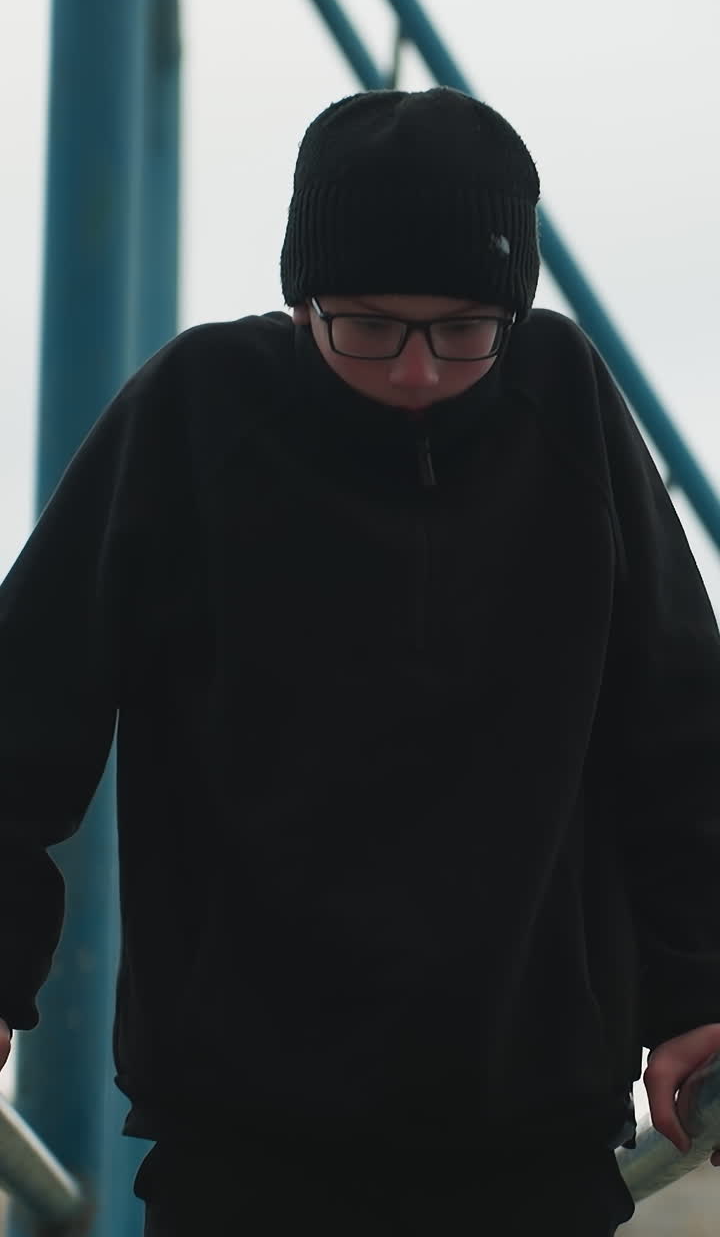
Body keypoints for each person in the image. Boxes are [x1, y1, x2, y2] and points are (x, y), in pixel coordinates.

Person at [0, 86, 719, 1236]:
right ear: (304, 302)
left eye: (464, 329)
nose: (419, 371)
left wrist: (701, 984)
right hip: (245, 1135)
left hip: (530, 1121)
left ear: (514, 312)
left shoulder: (566, 405)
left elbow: (679, 727)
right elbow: (24, 706)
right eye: (370, 326)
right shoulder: (194, 413)